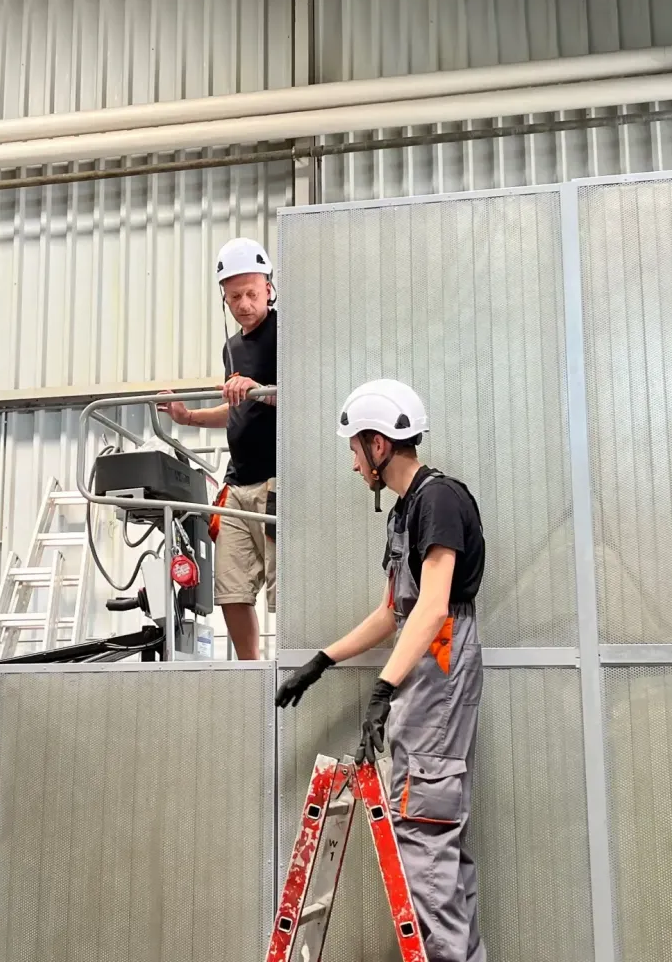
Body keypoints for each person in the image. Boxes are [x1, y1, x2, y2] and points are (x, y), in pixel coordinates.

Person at [275, 378, 486, 962]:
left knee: (422, 831)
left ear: (378, 443)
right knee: (435, 837)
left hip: (439, 663)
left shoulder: (439, 499)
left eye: (352, 448)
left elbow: (434, 606)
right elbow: (393, 611)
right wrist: (323, 660)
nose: (352, 464)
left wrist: (384, 687)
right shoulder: (404, 512)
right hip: (426, 666)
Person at [158, 237, 277, 660]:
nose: (244, 304)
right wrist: (188, 418)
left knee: (286, 588)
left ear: (268, 288)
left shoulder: (288, 333)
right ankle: (251, 672)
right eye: (234, 297)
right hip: (236, 483)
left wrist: (259, 391)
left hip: (277, 481)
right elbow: (235, 410)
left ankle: (294, 669)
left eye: (251, 294)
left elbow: (305, 399)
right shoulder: (232, 348)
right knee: (231, 589)